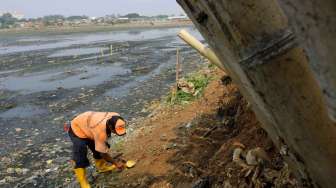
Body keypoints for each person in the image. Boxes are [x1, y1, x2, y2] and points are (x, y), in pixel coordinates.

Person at [68, 111, 126, 188]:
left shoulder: (116, 117)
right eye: (115, 131)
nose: (116, 133)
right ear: (110, 127)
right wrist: (115, 163)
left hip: (89, 125)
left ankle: (101, 167)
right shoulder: (100, 131)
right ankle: (83, 182)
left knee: (99, 146)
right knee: (80, 152)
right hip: (77, 128)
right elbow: (103, 153)